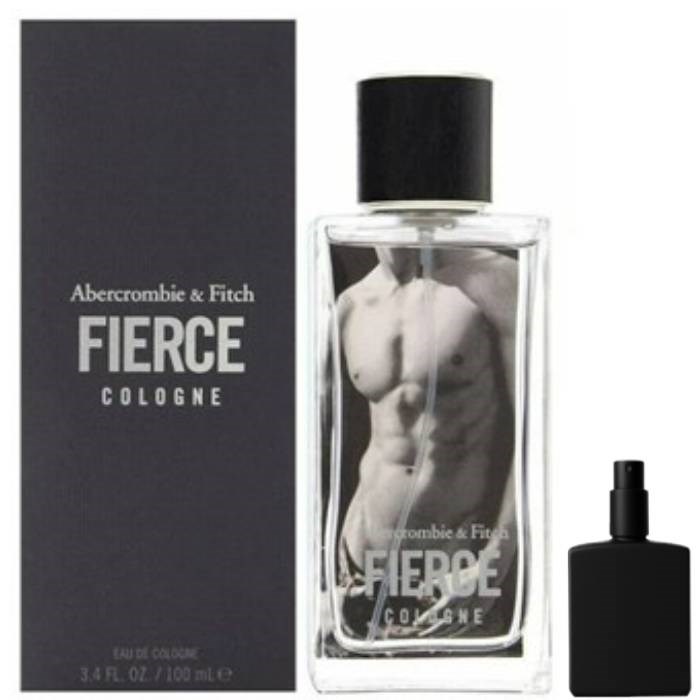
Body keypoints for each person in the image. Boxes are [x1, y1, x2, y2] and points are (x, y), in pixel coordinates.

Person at [335, 245, 518, 640]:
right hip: (354, 576)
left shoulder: (496, 279)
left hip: (452, 582)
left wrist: (493, 564)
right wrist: (318, 577)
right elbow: (319, 454)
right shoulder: (351, 304)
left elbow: (539, 436)